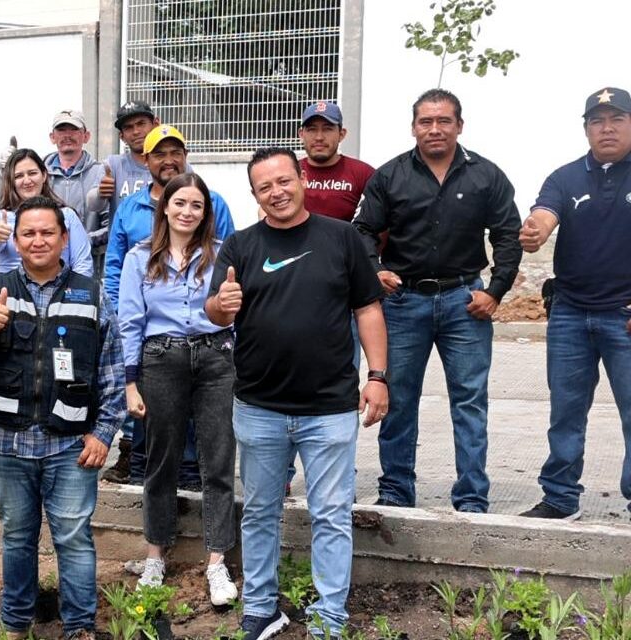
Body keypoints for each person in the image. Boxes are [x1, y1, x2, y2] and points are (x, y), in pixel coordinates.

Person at [207, 147, 387, 638]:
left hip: (329, 409)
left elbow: (367, 309)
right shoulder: (241, 246)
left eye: (284, 181)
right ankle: (261, 609)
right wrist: (222, 307)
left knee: (331, 515)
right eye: (265, 187)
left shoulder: (343, 238)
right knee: (260, 512)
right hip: (259, 407)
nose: (277, 192)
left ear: (301, 179)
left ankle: (330, 617)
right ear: (255, 195)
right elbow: (215, 312)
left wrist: (377, 376)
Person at [0, 196, 124, 640]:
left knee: (73, 539)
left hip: (71, 444)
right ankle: (15, 625)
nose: (38, 240)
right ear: (15, 239)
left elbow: (111, 368)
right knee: (16, 537)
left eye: (47, 232)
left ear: (64, 238)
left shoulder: (91, 295)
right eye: (28, 233)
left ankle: (79, 628)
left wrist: (104, 433)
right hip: (8, 442)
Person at [354, 89, 522, 513]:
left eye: (444, 121)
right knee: (399, 398)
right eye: (425, 121)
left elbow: (507, 235)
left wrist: (495, 290)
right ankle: (395, 490)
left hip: (465, 302)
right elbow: (363, 230)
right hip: (404, 301)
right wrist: (375, 269)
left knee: (469, 401)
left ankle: (471, 496)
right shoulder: (390, 176)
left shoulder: (487, 176)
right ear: (413, 127)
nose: (434, 129)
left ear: (459, 125)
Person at [118, 172, 237, 604]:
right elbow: (130, 321)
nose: (188, 212)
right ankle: (155, 555)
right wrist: (130, 383)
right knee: (160, 460)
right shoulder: (139, 258)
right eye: (180, 203)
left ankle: (217, 563)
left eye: (197, 206)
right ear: (165, 207)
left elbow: (237, 310)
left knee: (218, 459)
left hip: (215, 359)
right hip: (160, 359)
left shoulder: (223, 255)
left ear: (206, 213)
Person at [518, 86, 631, 520]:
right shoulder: (565, 177)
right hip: (569, 314)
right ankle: (560, 498)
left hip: (624, 317)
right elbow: (545, 213)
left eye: (616, 119)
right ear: (586, 129)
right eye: (597, 121)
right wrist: (537, 229)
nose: (607, 128)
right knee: (565, 413)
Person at [103, 124, 234, 486]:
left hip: (204, 337)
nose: (169, 160)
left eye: (176, 152)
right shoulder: (129, 208)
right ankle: (144, 481)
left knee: (197, 422)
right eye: (160, 153)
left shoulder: (214, 202)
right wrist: (119, 312)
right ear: (145, 160)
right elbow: (115, 265)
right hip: (151, 336)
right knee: (150, 417)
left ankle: (191, 481)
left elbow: (228, 264)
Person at [0, 148, 93, 277]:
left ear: (44, 175)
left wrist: (74, 295)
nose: (27, 181)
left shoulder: (67, 215)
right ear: (11, 181)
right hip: (12, 292)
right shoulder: (2, 217)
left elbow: (83, 265)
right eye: (19, 176)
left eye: (32, 173)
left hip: (60, 292)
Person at [44, 110, 107, 268]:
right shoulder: (40, 174)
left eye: (73, 130)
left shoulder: (102, 173)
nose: (67, 135)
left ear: (86, 136)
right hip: (47, 266)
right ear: (52, 137)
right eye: (61, 130)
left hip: (89, 267)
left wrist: (83, 242)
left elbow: (111, 225)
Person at [299, 101, 375, 221]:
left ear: (341, 134)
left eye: (327, 129)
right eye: (312, 129)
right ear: (301, 134)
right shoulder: (289, 172)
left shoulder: (363, 174)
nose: (319, 137)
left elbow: (380, 222)